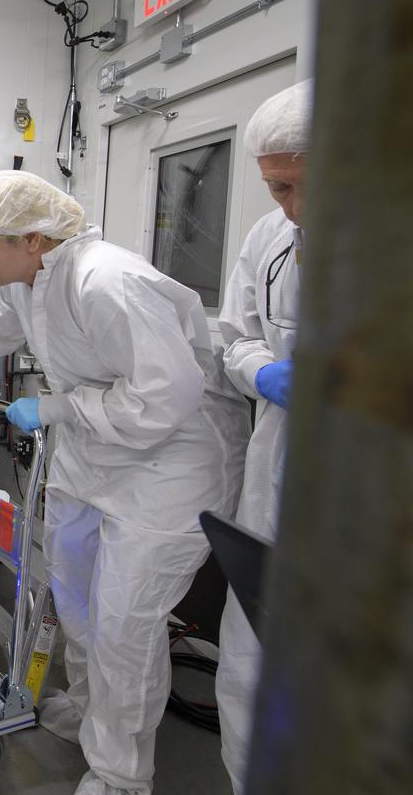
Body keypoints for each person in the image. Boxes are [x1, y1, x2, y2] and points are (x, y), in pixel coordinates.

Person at [0, 170, 248, 795]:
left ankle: (120, 774)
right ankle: (94, 711)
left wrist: (56, 408)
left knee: (124, 625)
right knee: (75, 597)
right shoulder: (23, 279)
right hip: (93, 453)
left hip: (167, 465)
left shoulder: (106, 282)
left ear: (32, 238)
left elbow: (166, 397)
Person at [214, 80, 311, 795]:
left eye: (305, 185)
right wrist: (263, 371)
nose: (293, 207)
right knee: (250, 651)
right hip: (276, 460)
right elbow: (235, 336)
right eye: (277, 188)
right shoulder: (270, 238)